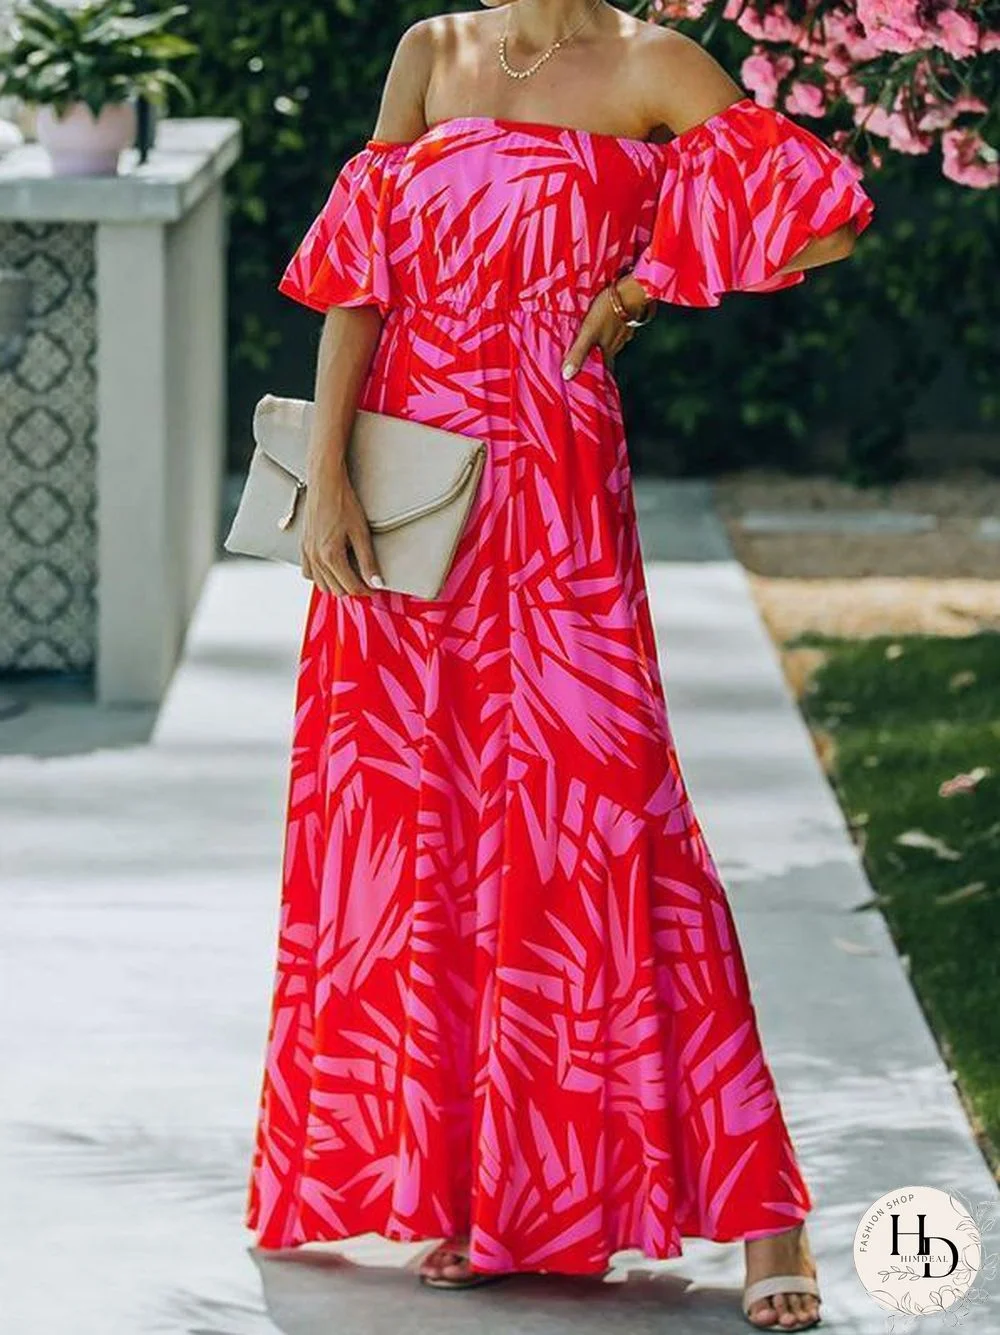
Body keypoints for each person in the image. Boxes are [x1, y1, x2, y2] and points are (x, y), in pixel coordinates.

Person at [244, 1, 875, 1329]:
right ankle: (503, 1196)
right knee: (434, 825)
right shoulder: (432, 52)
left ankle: (770, 1218)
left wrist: (654, 276)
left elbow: (820, 209)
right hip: (412, 482)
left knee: (612, 815)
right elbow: (362, 276)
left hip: (554, 477)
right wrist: (334, 474)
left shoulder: (653, 64)